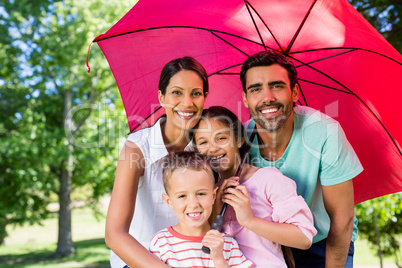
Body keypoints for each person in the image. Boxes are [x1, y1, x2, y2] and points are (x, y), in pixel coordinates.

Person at [239, 49, 364, 267]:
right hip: (267, 242)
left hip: (323, 242)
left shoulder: (324, 132)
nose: (267, 97)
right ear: (245, 98)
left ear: (294, 92)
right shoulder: (238, 142)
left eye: (277, 86)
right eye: (256, 89)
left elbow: (342, 220)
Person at [105, 56, 209, 268]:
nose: (187, 103)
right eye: (177, 93)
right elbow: (114, 234)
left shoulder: (206, 147)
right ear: (161, 98)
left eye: (196, 94)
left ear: (205, 97)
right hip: (141, 260)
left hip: (191, 258)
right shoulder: (138, 147)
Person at [193, 106, 317, 268]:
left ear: (239, 139)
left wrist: (249, 220)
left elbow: (304, 238)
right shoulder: (209, 194)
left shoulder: (268, 179)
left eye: (221, 138)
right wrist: (214, 211)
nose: (212, 148)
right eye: (203, 142)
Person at [150, 151, 254, 268]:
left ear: (213, 196)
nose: (193, 204)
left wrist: (219, 259)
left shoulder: (227, 244)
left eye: (201, 193)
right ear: (169, 201)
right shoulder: (161, 243)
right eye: (182, 196)